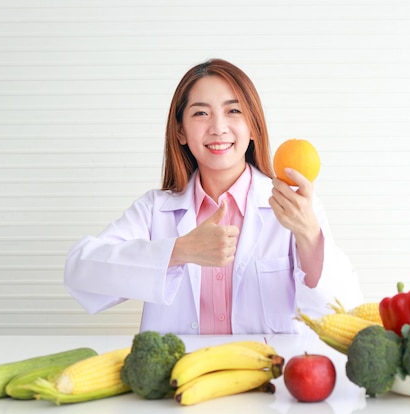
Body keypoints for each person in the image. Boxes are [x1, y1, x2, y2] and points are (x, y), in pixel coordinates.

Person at [64, 58, 361, 335]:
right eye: (201, 113)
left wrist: (308, 233)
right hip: (180, 382)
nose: (218, 128)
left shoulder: (295, 208)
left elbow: (341, 313)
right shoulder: (155, 210)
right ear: (180, 131)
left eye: (233, 111)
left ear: (253, 127)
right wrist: (179, 251)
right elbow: (81, 272)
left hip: (269, 382)